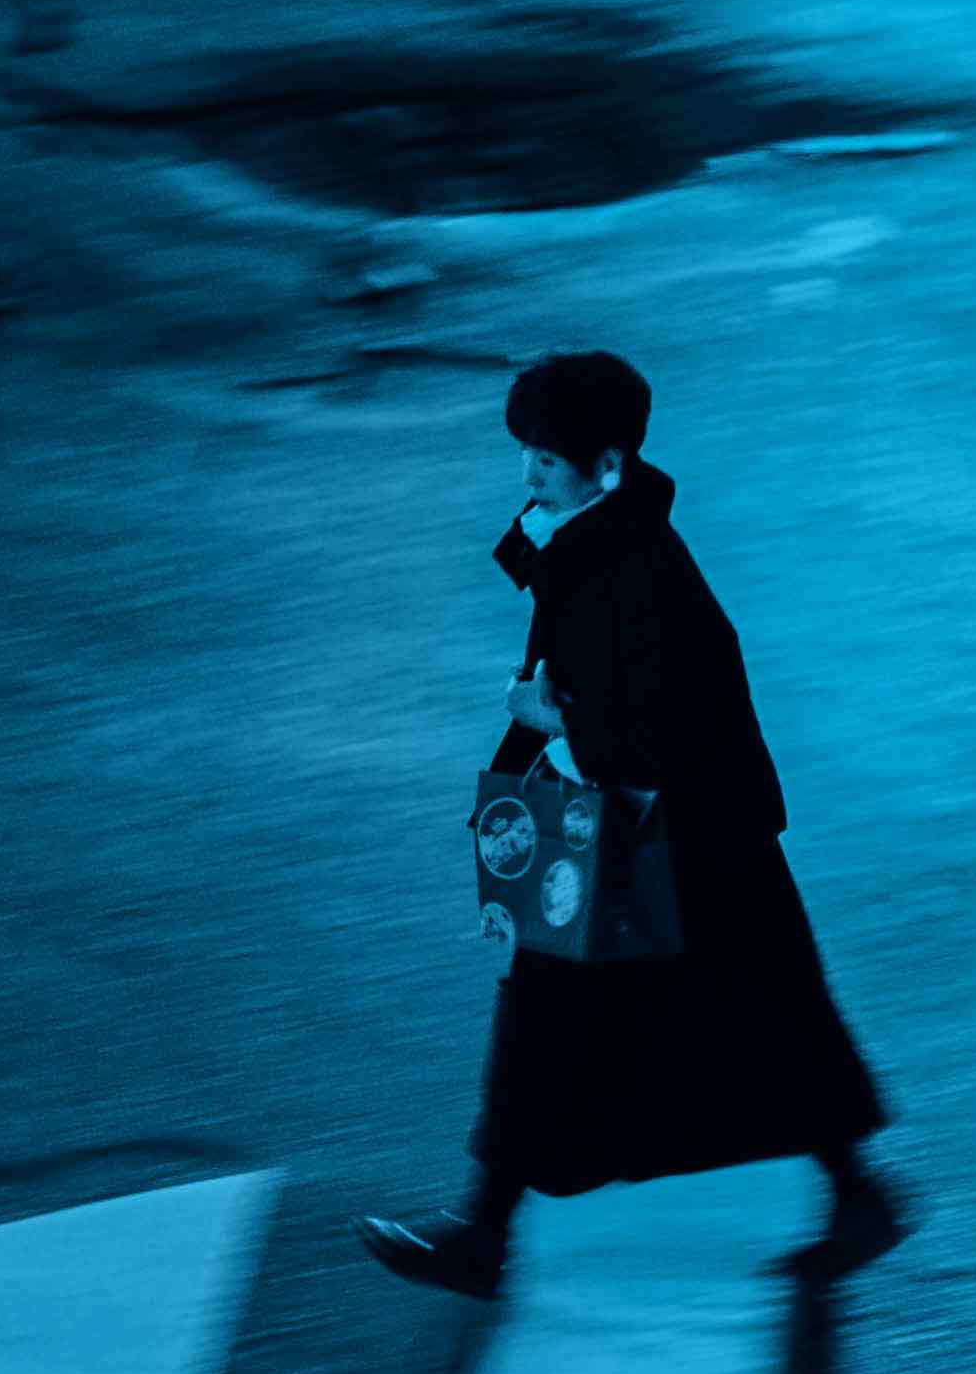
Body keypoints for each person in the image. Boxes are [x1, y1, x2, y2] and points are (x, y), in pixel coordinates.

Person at [367, 352, 906, 1298]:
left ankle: (485, 1237)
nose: (528, 470)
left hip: (678, 836)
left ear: (604, 465)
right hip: (661, 828)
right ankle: (855, 1195)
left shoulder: (633, 570)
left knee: (726, 1013)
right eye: (528, 450)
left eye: (546, 455)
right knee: (741, 1014)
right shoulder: (593, 541)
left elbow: (658, 722)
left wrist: (549, 721)